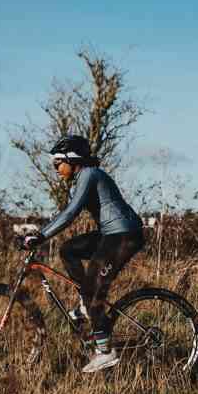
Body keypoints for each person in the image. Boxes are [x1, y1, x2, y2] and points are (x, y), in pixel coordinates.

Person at [22, 135, 144, 373]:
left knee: (92, 291)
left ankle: (105, 351)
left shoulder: (89, 174)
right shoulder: (84, 176)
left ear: (72, 159)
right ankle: (86, 303)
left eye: (57, 163)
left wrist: (41, 235)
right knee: (69, 249)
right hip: (112, 234)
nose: (55, 168)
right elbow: (68, 213)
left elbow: (70, 213)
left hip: (124, 236)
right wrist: (41, 233)